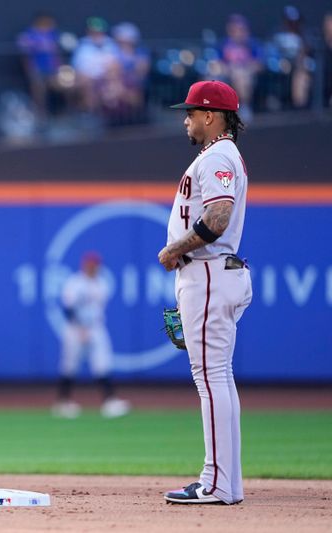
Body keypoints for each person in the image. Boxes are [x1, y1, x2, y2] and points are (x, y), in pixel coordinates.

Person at [158, 80, 252, 505]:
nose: (187, 119)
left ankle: (216, 482)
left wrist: (175, 248)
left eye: (192, 112)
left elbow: (218, 215)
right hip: (213, 274)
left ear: (211, 116)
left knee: (211, 379)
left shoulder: (218, 155)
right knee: (218, 379)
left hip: (209, 273)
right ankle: (225, 481)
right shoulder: (219, 155)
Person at [51, 252, 130, 419]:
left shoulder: (102, 283)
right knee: (69, 365)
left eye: (95, 265)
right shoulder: (75, 283)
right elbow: (68, 309)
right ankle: (63, 403)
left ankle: (109, 402)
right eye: (90, 265)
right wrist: (80, 328)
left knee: (103, 363)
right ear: (84, 265)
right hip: (75, 329)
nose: (93, 267)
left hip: (95, 327)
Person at [17, 12, 65, 123]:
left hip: (54, 69)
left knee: (63, 88)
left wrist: (60, 66)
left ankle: (63, 114)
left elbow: (58, 51)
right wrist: (29, 68)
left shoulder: (53, 34)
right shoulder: (28, 34)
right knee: (39, 92)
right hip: (37, 68)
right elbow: (24, 53)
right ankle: (41, 116)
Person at [218, 14, 262, 121]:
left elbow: (260, 64)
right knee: (210, 76)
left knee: (241, 76)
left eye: (240, 29)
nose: (237, 32)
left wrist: (245, 68)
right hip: (228, 74)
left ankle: (244, 106)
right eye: (234, 29)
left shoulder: (252, 44)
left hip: (247, 75)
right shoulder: (224, 45)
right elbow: (217, 63)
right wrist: (229, 68)